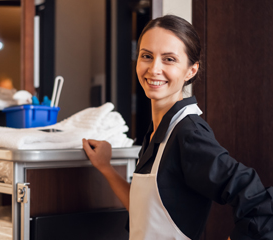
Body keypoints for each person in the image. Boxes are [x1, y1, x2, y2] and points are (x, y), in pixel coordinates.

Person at [82, 15, 273, 240]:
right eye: (146, 56)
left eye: (169, 59)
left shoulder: (188, 134)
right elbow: (144, 213)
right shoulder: (160, 130)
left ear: (191, 71)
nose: (154, 69)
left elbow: (259, 205)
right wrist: (106, 168)